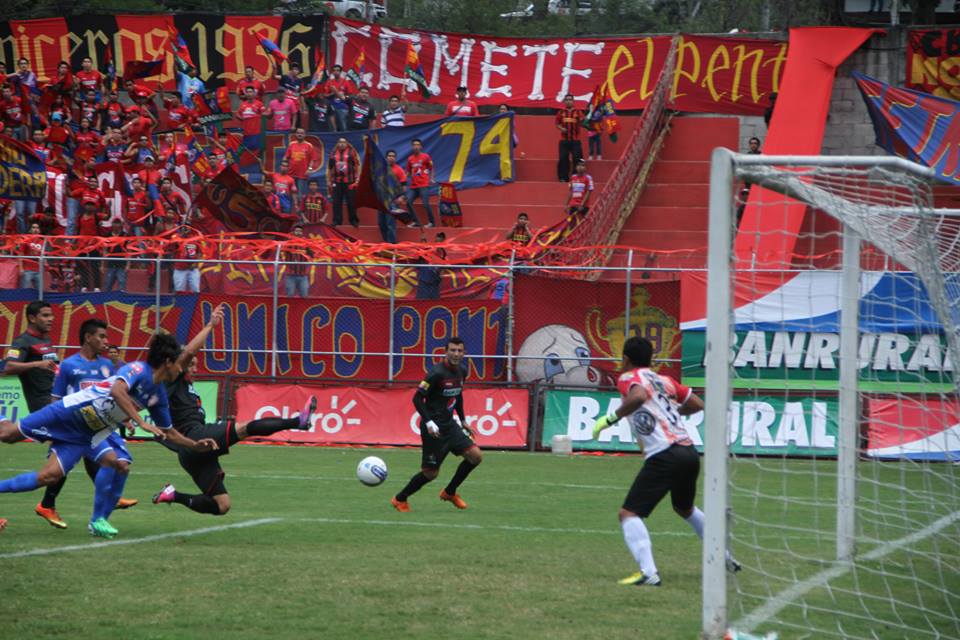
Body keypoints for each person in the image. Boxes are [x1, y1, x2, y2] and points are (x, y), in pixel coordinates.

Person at [0, 333, 219, 538]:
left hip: (84, 435)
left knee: (52, 477)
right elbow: (117, 391)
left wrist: (195, 445)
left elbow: (169, 432)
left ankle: (98, 521)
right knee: (8, 435)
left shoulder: (158, 394)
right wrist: (140, 421)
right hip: (67, 413)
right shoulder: (138, 369)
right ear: (169, 362)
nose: (183, 368)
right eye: (181, 362)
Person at [591, 336, 741, 586]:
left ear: (625, 359)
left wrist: (610, 419)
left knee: (628, 514)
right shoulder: (665, 380)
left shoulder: (629, 378)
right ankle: (724, 557)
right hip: (688, 452)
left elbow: (638, 397)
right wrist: (667, 413)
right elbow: (696, 404)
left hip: (664, 454)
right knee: (685, 508)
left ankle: (649, 573)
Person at [152, 304, 316, 516]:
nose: (194, 367)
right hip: (194, 436)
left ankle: (173, 495)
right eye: (191, 364)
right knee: (245, 428)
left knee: (222, 505)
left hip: (191, 452)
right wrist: (211, 325)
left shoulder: (185, 386)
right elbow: (189, 351)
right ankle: (298, 422)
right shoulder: (171, 377)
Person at [52, 318, 138, 535]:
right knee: (54, 473)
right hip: (77, 427)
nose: (106, 341)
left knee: (117, 466)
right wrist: (55, 425)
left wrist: (126, 418)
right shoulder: (69, 365)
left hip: (101, 428)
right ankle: (92, 517)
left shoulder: (107, 366)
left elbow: (112, 397)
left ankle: (101, 516)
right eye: (101, 336)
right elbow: (56, 399)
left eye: (106, 337)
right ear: (88, 337)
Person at [391, 337, 481, 512]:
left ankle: (449, 492)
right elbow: (417, 398)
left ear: (464, 353)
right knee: (430, 473)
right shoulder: (436, 374)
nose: (456, 354)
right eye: (453, 350)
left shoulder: (462, 370)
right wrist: (429, 422)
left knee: (475, 456)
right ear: (445, 351)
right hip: (434, 430)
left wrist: (462, 420)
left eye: (459, 351)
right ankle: (400, 499)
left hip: (450, 425)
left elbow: (458, 395)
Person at [327, 137, 360, 227]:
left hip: (349, 181)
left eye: (343, 142)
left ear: (346, 144)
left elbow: (357, 165)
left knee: (351, 201)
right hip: (336, 182)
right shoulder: (333, 153)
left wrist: (357, 179)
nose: (342, 144)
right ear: (337, 144)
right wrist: (329, 180)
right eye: (340, 142)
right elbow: (330, 168)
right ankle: (337, 221)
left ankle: (353, 220)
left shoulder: (351, 152)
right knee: (337, 202)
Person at [378, 149, 407, 243]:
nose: (391, 158)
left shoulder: (399, 170)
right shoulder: (381, 169)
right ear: (386, 158)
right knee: (381, 223)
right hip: (382, 200)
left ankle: (392, 245)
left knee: (390, 223)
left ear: (395, 158)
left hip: (393, 201)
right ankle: (386, 243)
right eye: (389, 156)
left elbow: (404, 186)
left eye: (393, 156)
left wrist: (401, 197)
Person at [406, 138, 435, 227]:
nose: (416, 147)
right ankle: (416, 221)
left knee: (425, 204)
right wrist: (402, 178)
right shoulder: (410, 159)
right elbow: (408, 172)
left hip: (424, 184)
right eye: (414, 145)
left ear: (421, 147)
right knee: (408, 202)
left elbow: (432, 168)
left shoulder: (426, 156)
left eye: (418, 145)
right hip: (413, 186)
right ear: (412, 147)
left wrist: (432, 178)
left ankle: (432, 222)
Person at [284, 128, 323, 196]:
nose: (299, 134)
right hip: (291, 173)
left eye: (302, 133)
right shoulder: (291, 144)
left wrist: (309, 169)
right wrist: (284, 167)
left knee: (300, 195)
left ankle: (300, 206)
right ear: (295, 134)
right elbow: (286, 157)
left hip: (302, 174)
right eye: (298, 133)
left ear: (305, 135)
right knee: (290, 194)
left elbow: (313, 159)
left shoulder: (309, 145)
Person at [555, 93, 584, 182]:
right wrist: (561, 128)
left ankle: (575, 177)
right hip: (564, 141)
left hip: (575, 140)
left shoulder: (578, 112)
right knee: (563, 158)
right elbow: (557, 123)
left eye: (570, 100)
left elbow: (583, 121)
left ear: (573, 101)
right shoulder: (561, 112)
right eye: (566, 100)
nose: (568, 101)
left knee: (577, 158)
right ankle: (563, 178)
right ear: (564, 101)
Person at [282, 225, 311, 297]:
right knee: (290, 294)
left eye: (300, 231)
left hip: (303, 275)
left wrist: (309, 248)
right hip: (291, 274)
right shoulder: (289, 242)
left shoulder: (306, 243)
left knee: (305, 295)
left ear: (302, 233)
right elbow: (283, 251)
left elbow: (311, 254)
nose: (298, 232)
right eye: (297, 231)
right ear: (293, 232)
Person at [172, 227, 203, 293]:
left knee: (195, 289)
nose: (186, 230)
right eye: (184, 228)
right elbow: (170, 247)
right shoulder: (175, 238)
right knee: (179, 289)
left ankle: (195, 302)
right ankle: (180, 303)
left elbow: (200, 252)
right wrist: (180, 237)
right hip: (180, 269)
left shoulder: (195, 238)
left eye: (187, 228)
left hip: (193, 269)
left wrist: (196, 261)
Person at [102, 219, 129, 292]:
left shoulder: (125, 235)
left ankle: (121, 299)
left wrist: (128, 264)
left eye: (118, 223)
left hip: (121, 264)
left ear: (121, 225)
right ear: (112, 224)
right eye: (115, 223)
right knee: (107, 283)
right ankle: (106, 299)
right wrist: (103, 265)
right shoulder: (107, 235)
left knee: (122, 282)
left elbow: (128, 251)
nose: (116, 225)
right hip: (111, 264)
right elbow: (105, 250)